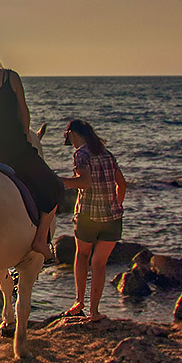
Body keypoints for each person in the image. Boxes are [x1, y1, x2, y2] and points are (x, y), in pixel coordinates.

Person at [0, 35, 64, 261]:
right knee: (54, 186)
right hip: (13, 146)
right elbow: (23, 113)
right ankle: (40, 240)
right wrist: (24, 137)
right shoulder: (9, 77)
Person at [60, 119, 126, 322]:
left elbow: (84, 183)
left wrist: (59, 182)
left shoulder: (81, 154)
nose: (69, 142)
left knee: (82, 257)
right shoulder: (106, 153)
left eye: (67, 138)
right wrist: (116, 205)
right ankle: (94, 312)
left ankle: (79, 302)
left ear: (72, 133)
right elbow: (121, 184)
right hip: (112, 218)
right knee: (99, 264)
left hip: (88, 216)